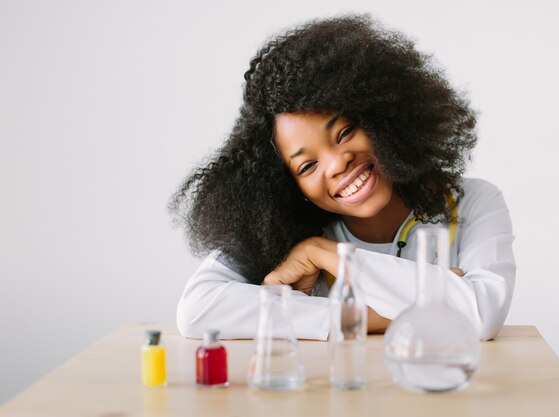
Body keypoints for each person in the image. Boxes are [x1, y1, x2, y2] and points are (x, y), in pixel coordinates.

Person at [170, 15, 515, 341]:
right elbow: (198, 310)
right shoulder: (277, 233)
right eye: (307, 167)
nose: (337, 164)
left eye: (346, 132)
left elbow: (481, 313)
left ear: (383, 119)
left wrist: (324, 253)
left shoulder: (473, 202)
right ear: (289, 186)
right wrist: (415, 308)